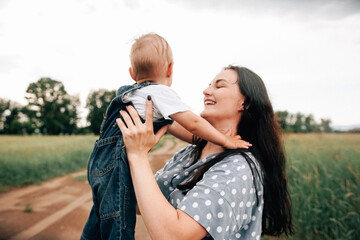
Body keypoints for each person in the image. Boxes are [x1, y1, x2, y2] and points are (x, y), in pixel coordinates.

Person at [81, 34, 250, 240]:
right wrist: (224, 140)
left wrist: (209, 139)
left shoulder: (131, 95)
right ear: (170, 69)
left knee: (101, 215)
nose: (206, 90)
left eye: (219, 85)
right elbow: (193, 123)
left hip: (97, 164)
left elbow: (178, 128)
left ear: (132, 73)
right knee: (118, 221)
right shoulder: (160, 93)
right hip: (116, 163)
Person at [117, 65, 295, 239]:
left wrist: (138, 156)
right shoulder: (189, 153)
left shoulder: (237, 169)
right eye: (209, 85)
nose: (206, 91)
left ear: (245, 102)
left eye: (219, 85)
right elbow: (138, 204)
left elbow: (173, 236)